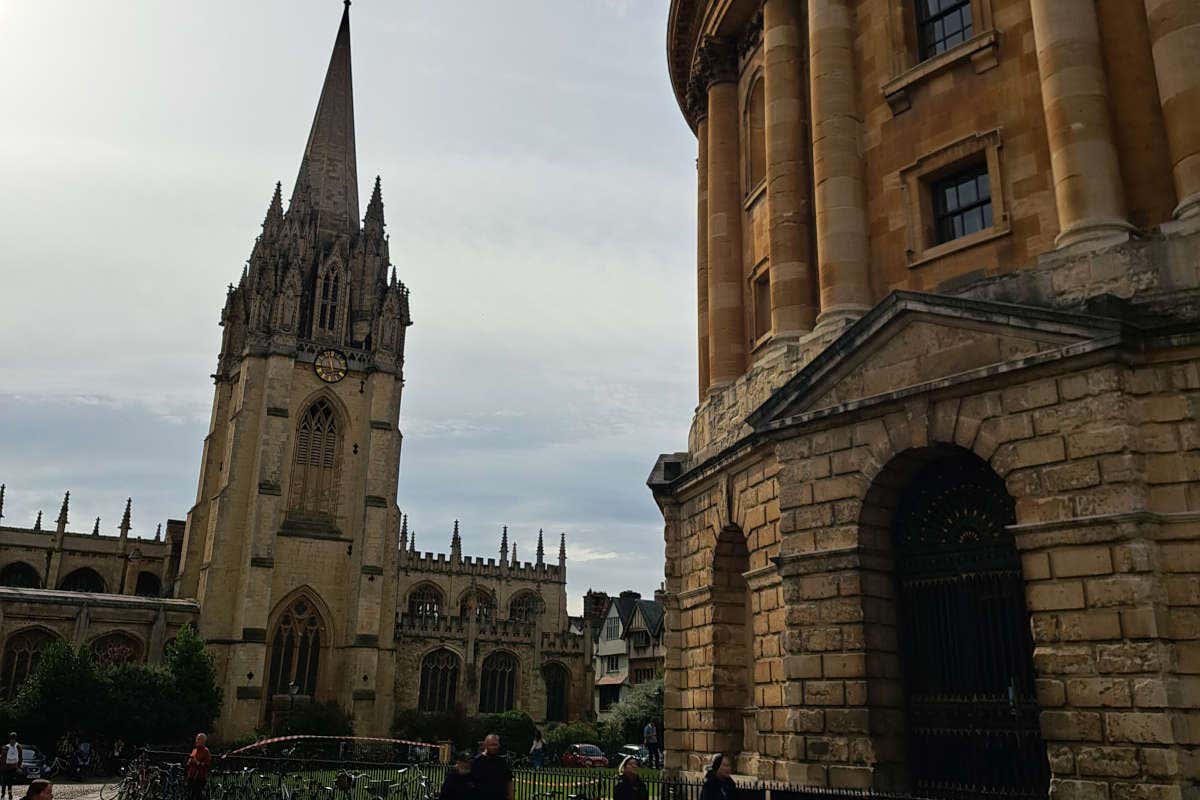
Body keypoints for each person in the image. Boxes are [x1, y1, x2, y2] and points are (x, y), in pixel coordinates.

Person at [470, 734, 513, 800]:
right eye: (492, 745)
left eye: (496, 744)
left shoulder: (502, 762)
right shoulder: (477, 761)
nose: (495, 747)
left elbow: (509, 779)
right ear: (486, 745)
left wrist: (510, 795)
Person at [185, 733, 212, 800]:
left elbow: (207, 764)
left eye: (199, 739)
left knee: (197, 795)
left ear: (203, 741)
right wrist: (189, 762)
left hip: (199, 777)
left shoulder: (206, 751)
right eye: (197, 739)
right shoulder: (194, 750)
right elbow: (190, 761)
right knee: (189, 795)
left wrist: (197, 762)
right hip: (191, 776)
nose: (197, 741)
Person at [1, 733, 22, 800]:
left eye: (13, 739)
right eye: (11, 739)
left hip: (10, 767)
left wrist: (19, 767)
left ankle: (8, 794)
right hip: (8, 767)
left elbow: (20, 758)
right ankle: (4, 794)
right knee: (6, 781)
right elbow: (3, 759)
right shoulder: (6, 747)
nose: (12, 741)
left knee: (8, 781)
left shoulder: (17, 747)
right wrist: (18, 767)